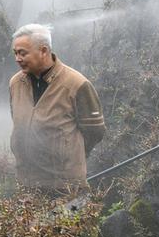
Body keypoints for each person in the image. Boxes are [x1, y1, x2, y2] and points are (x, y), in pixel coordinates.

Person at [9, 23, 105, 194]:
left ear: (44, 51)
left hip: (65, 186)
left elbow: (95, 132)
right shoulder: (15, 83)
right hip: (27, 181)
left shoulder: (77, 84)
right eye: (15, 53)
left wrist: (68, 154)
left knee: (65, 221)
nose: (17, 58)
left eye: (23, 53)